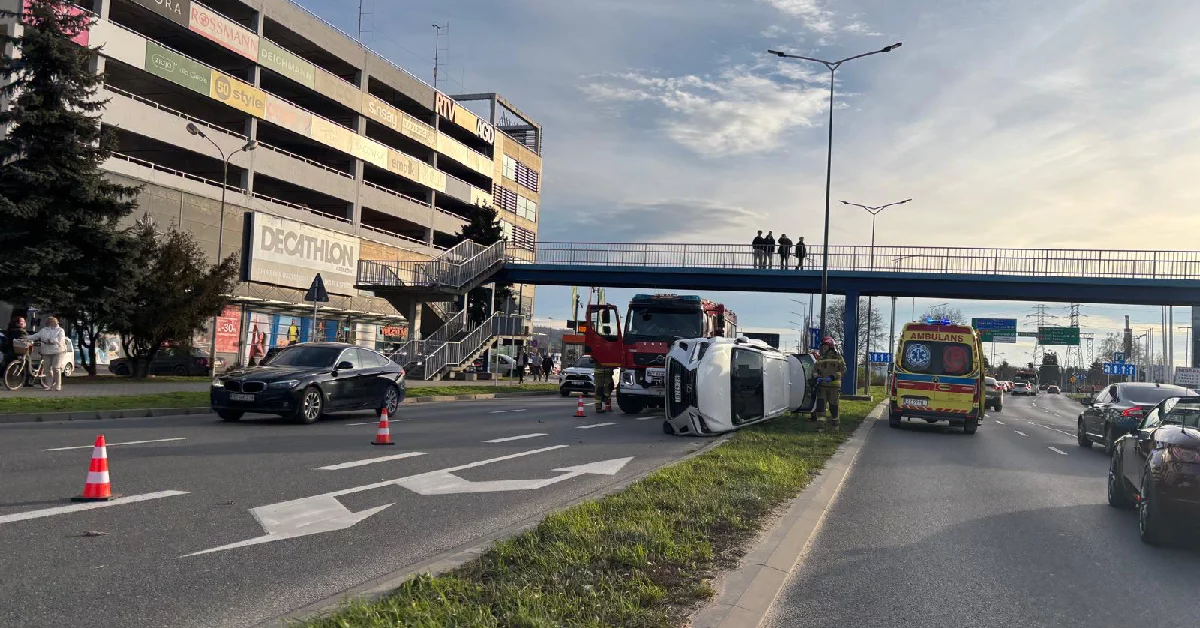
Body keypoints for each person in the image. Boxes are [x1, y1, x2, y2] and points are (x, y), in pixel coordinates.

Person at [810, 336, 846, 432]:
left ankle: (835, 426)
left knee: (833, 407)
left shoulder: (838, 357)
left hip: (834, 386)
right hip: (822, 386)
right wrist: (816, 377)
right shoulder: (820, 358)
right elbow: (814, 369)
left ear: (830, 346)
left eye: (825, 346)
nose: (823, 348)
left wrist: (833, 377)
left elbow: (843, 370)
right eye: (823, 346)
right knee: (821, 407)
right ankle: (821, 427)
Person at [28, 316, 67, 391]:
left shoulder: (60, 330)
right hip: (46, 351)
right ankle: (49, 385)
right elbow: (36, 336)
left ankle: (58, 385)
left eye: (53, 321)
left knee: (56, 368)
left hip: (58, 351)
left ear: (56, 322)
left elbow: (60, 339)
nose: (52, 323)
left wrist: (51, 341)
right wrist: (26, 337)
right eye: (50, 322)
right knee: (47, 369)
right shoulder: (44, 330)